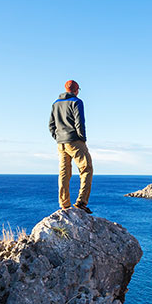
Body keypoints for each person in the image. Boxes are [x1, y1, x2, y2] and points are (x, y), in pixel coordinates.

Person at [49, 80, 93, 213]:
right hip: (74, 140)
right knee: (86, 169)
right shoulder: (77, 102)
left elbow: (51, 125)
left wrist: (57, 137)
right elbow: (80, 122)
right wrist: (82, 138)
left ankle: (64, 204)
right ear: (76, 90)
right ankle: (81, 202)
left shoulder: (55, 104)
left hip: (61, 143)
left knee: (64, 172)